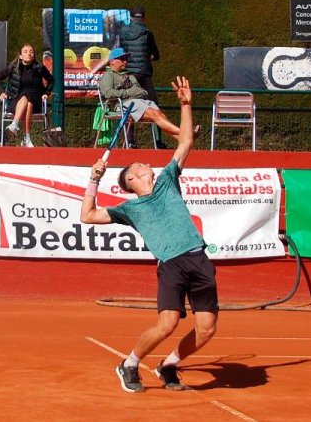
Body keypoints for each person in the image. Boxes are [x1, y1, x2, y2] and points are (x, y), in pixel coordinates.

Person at [80, 76, 213, 394]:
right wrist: (93, 180)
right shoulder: (130, 208)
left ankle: (169, 365)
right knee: (167, 324)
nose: (145, 162)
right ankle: (129, 364)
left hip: (198, 258)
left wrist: (186, 104)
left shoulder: (168, 180)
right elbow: (88, 216)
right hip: (172, 265)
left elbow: (185, 142)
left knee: (207, 328)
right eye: (138, 164)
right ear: (131, 179)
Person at [97, 48, 186, 144]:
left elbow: (143, 92)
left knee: (159, 114)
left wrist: (136, 92)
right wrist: (128, 92)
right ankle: (185, 133)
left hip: (138, 102)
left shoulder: (129, 76)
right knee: (154, 114)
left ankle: (182, 138)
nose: (125, 61)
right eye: (122, 59)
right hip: (122, 105)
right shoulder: (108, 75)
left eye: (126, 59)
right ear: (112, 61)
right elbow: (108, 93)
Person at [118, 5, 164, 148]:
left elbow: (120, 53)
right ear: (143, 18)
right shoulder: (147, 33)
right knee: (154, 106)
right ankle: (158, 141)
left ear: (130, 17)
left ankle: (129, 141)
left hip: (128, 74)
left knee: (129, 105)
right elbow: (156, 55)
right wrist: (147, 58)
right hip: (144, 73)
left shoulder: (122, 32)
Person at [0, 43, 54, 147]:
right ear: (20, 56)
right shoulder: (13, 67)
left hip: (36, 101)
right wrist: (2, 92)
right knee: (27, 102)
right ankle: (26, 138)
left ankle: (15, 125)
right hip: (16, 102)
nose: (29, 54)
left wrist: (46, 93)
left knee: (28, 98)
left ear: (34, 55)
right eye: (25, 52)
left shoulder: (39, 68)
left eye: (31, 52)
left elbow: (51, 80)